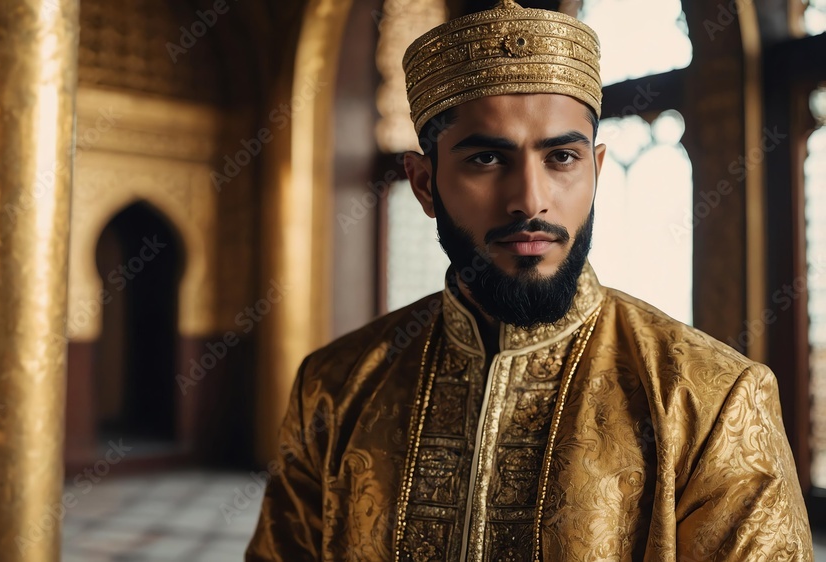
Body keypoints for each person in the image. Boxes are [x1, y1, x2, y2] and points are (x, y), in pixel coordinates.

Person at [246, 0, 814, 559]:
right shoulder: (336, 387)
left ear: (596, 171)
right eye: (486, 160)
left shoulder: (709, 400)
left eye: (561, 157)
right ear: (424, 185)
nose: (529, 200)